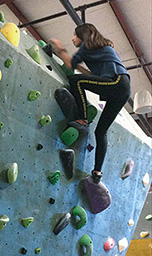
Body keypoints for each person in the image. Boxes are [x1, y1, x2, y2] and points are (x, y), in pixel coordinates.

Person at [50, 23, 131, 183]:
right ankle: (97, 172)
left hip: (117, 82)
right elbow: (88, 74)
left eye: (75, 35)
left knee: (75, 81)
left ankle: (83, 119)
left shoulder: (87, 49)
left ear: (83, 36)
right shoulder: (98, 50)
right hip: (121, 89)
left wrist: (60, 49)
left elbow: (70, 65)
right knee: (101, 132)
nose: (72, 38)